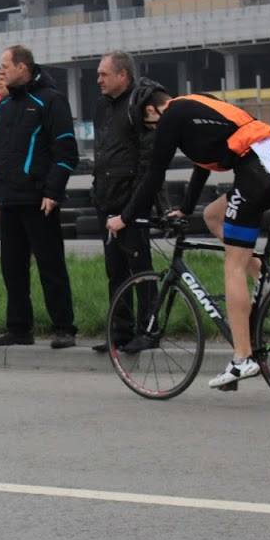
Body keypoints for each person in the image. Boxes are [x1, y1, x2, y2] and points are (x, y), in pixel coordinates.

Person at [108, 87, 270, 388]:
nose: (154, 132)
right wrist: (185, 209)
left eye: (148, 126)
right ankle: (263, 276)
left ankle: (242, 359)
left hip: (257, 176)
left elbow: (154, 174)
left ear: (151, 111)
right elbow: (202, 167)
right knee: (212, 215)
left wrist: (125, 217)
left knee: (232, 267)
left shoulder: (170, 116)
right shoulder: (198, 104)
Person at [0, 45, 79, 349]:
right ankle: (19, 329)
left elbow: (67, 153)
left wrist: (53, 191)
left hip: (39, 200)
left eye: (5, 66)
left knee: (51, 266)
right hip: (8, 200)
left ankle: (64, 328)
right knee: (12, 268)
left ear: (22, 68)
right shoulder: (3, 106)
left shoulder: (50, 100)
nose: (1, 71)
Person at [91, 53, 162, 353]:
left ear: (123, 75)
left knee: (140, 268)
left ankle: (149, 330)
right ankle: (120, 331)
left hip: (132, 203)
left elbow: (149, 158)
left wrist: (135, 203)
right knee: (115, 270)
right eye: (99, 74)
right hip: (106, 199)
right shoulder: (102, 107)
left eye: (104, 74)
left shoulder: (139, 104)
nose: (98, 80)